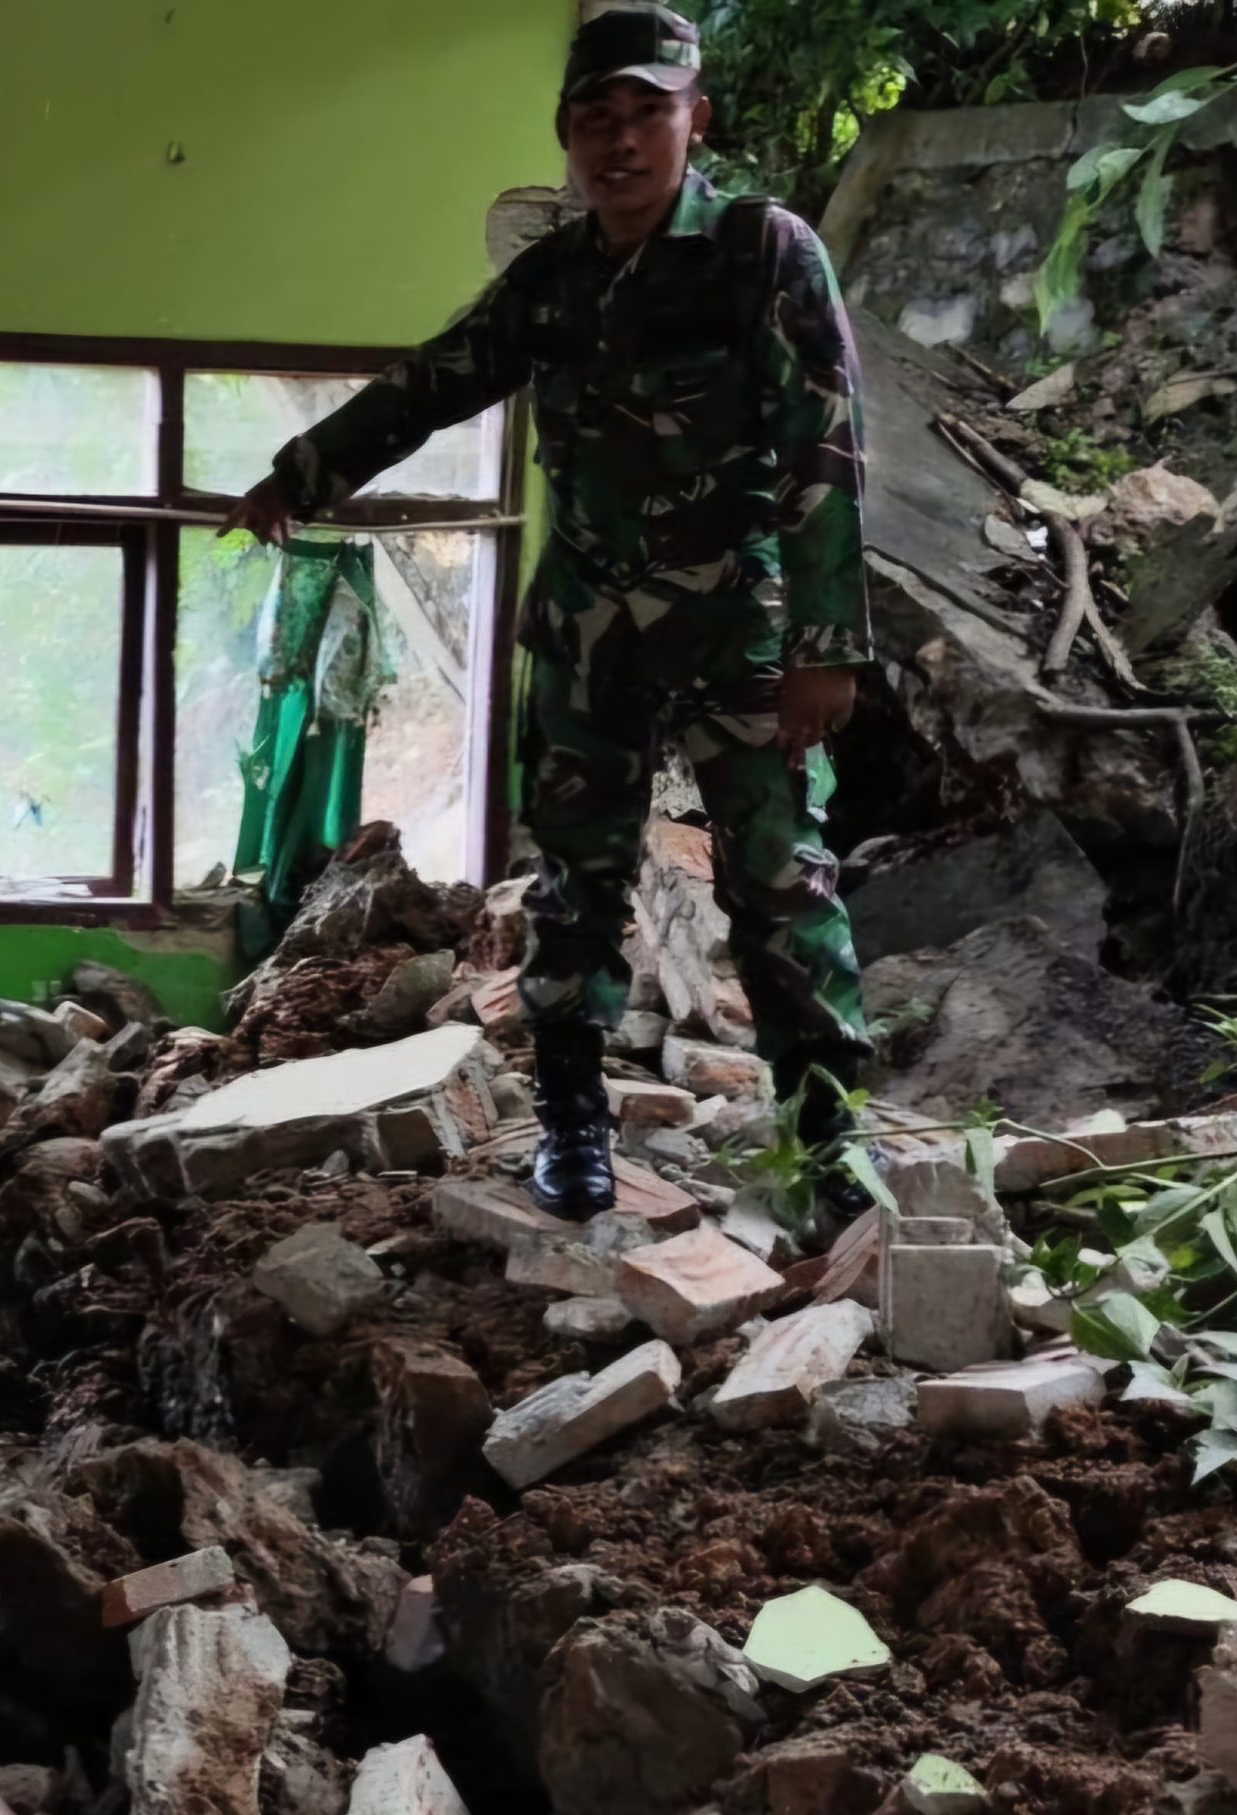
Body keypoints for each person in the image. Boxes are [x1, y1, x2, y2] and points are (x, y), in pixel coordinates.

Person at [225, 3, 877, 1224]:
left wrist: (828, 647)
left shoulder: (759, 250)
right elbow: (433, 381)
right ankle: (574, 1125)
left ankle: (829, 1150)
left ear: (695, 121)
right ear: (566, 137)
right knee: (575, 890)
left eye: (646, 114)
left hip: (738, 624)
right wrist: (296, 477)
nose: (619, 142)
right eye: (595, 119)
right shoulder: (555, 279)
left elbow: (824, 448)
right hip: (586, 634)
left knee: (780, 887)